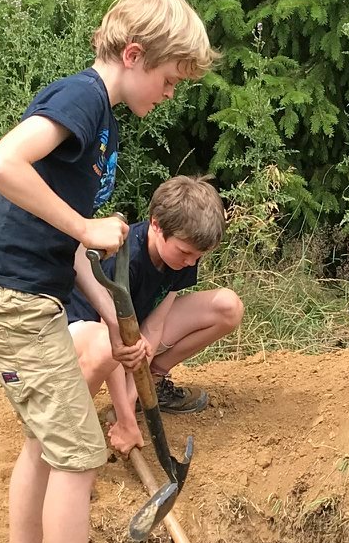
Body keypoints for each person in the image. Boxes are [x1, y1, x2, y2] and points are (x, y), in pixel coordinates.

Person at [0, 0, 216, 543]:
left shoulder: (104, 126)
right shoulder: (83, 98)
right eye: (169, 79)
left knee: (47, 442)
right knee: (77, 454)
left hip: (26, 296)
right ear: (134, 55)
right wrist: (85, 225)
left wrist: (106, 308)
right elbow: (0, 165)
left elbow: (70, 251)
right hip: (7, 300)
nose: (171, 94)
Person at [64, 175, 242, 415]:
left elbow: (154, 326)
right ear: (156, 225)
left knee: (228, 306)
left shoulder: (183, 256)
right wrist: (124, 414)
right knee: (106, 347)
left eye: (198, 256)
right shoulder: (125, 258)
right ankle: (69, 418)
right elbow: (112, 339)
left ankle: (152, 382)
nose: (191, 262)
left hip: (134, 333)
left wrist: (134, 395)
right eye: (185, 252)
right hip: (89, 335)